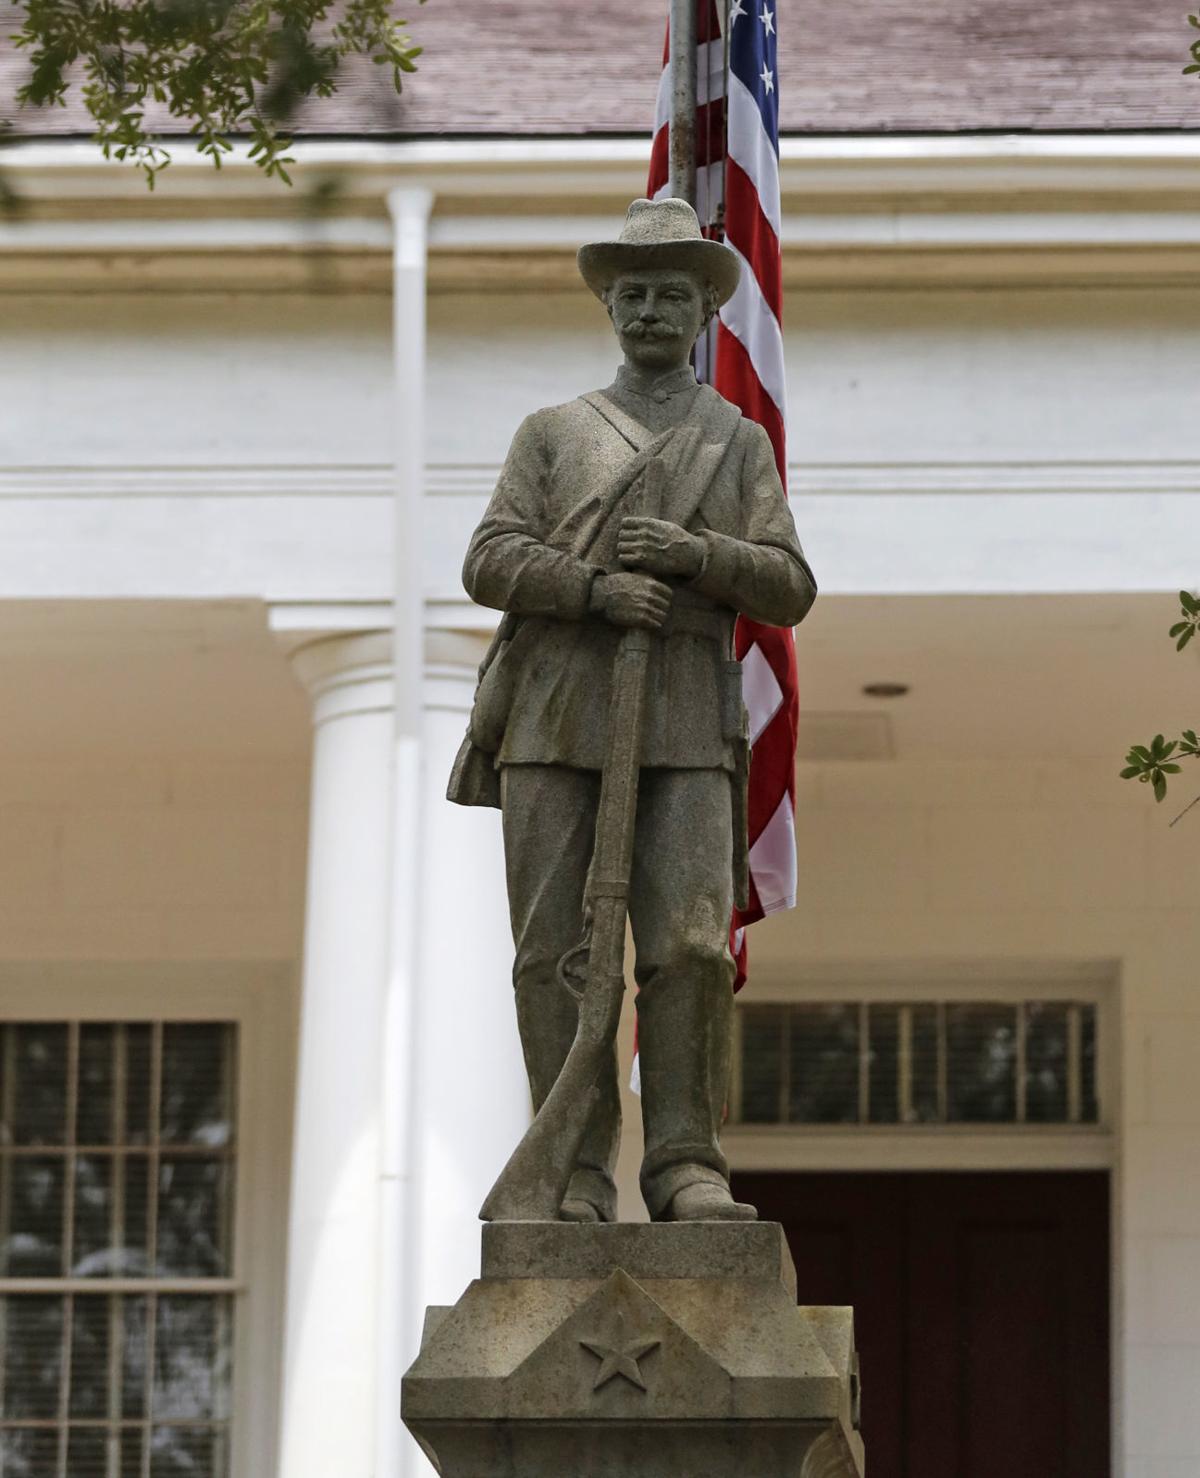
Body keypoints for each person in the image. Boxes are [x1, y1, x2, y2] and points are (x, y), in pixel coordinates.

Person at [449, 197, 816, 1223]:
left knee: (690, 943)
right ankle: (568, 1166)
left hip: (688, 713)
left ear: (704, 310)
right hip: (558, 709)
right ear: (610, 304)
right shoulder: (553, 433)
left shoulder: (734, 442)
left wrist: (698, 557)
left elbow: (788, 583)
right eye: (634, 292)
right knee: (554, 949)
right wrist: (596, 588)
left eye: (672, 294)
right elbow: (489, 556)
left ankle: (684, 1162)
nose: (651, 310)